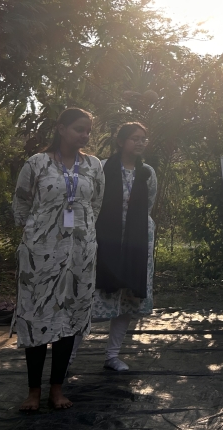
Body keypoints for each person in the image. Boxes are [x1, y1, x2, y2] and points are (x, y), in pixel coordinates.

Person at [12, 108, 105, 411]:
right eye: (79, 129)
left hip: (80, 254)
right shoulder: (37, 163)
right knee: (38, 316)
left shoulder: (93, 165)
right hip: (40, 254)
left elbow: (96, 203)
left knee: (69, 318)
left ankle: (56, 389)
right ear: (61, 128)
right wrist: (38, 234)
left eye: (88, 130)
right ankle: (33, 391)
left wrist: (80, 234)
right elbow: (22, 202)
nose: (85, 135)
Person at [87, 122, 158, 371]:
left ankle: (112, 355)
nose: (139, 143)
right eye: (134, 138)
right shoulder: (102, 168)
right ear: (120, 142)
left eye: (143, 139)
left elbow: (148, 205)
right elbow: (93, 203)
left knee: (127, 296)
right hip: (105, 240)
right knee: (91, 295)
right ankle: (70, 355)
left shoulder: (147, 172)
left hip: (137, 242)